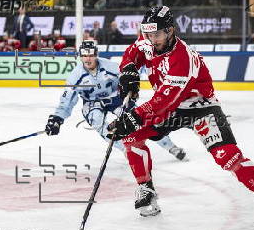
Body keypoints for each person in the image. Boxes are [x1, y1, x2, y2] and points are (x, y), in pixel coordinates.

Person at [107, 6, 254, 219]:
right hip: (172, 108)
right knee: (131, 137)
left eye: (156, 34)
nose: (151, 39)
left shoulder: (183, 58)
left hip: (200, 108)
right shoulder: (147, 40)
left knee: (226, 156)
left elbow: (165, 99)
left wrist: (134, 117)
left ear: (170, 31)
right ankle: (146, 188)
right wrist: (128, 71)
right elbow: (133, 52)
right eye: (147, 34)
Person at [45, 40, 187, 161]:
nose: (88, 59)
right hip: (92, 103)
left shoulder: (110, 67)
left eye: (91, 55)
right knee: (97, 121)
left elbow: (126, 79)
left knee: (139, 120)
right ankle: (126, 150)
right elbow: (67, 101)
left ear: (96, 55)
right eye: (84, 55)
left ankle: (171, 147)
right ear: (80, 56)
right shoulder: (75, 77)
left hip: (115, 98)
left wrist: (129, 90)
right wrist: (57, 118)